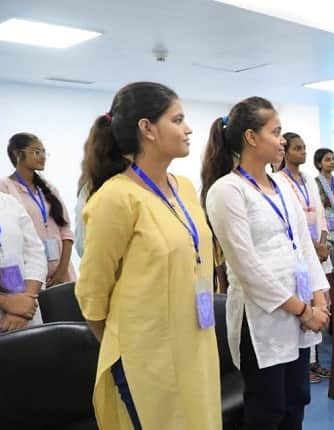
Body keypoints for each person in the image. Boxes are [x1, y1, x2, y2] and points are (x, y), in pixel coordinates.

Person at [74, 82, 222, 429]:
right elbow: (92, 295)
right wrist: (134, 342)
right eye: (178, 119)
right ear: (147, 128)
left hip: (195, 339)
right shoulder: (115, 198)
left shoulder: (184, 187)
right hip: (146, 356)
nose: (188, 129)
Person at [202, 97, 330, 429]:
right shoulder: (227, 191)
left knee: (296, 401)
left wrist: (319, 299)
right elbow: (248, 270)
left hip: (299, 310)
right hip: (261, 318)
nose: (283, 140)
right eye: (276, 132)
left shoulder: (283, 185)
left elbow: (303, 246)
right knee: (267, 408)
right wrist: (304, 311)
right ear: (251, 137)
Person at [277, 132, 331, 383]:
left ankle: (314, 360)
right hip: (299, 253)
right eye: (297, 148)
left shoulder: (309, 179)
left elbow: (319, 212)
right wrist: (312, 247)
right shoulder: (279, 180)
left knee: (321, 303)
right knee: (304, 304)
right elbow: (293, 221)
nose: (303, 152)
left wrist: (322, 242)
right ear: (286, 152)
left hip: (317, 248)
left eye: (304, 147)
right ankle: (304, 364)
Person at [0, 133, 75, 286]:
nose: (42, 156)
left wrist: (62, 271)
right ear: (18, 154)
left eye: (44, 152)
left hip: (63, 274)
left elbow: (66, 232)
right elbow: (6, 236)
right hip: (29, 276)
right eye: (37, 152)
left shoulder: (49, 188)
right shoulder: (2, 188)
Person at [0, 146, 46, 337]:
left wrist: (27, 298)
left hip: (27, 311)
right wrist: (6, 303)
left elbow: (35, 251)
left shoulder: (7, 202)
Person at [314, 148, 334, 261]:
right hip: (325, 230)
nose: (332, 162)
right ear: (319, 163)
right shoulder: (316, 183)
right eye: (328, 160)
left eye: (333, 159)